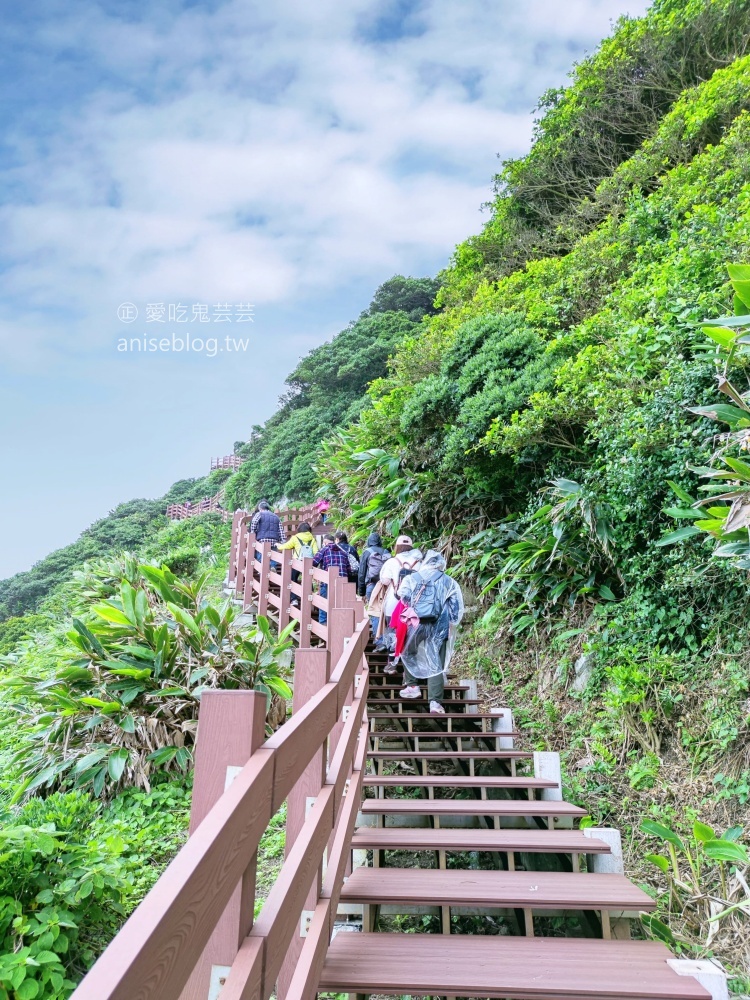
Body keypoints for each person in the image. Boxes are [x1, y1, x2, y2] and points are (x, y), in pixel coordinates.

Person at [396, 550, 464, 714]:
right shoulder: (449, 581)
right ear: (441, 564)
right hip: (439, 625)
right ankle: (435, 703)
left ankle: (412, 685)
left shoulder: (412, 578)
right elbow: (456, 608)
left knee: (408, 650)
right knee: (436, 663)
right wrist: (452, 622)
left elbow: (402, 596)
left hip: (416, 622)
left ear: (425, 562)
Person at [368, 535, 423, 664]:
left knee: (393, 632)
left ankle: (392, 662)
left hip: (394, 603)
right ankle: (408, 664)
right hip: (414, 605)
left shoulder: (392, 562)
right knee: (410, 633)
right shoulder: (419, 563)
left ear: (397, 547)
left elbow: (385, 581)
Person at [312, 533, 350, 625]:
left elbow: (313, 563)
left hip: (328, 582)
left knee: (324, 603)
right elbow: (349, 569)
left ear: (325, 542)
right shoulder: (343, 552)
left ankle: (323, 625)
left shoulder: (324, 550)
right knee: (339, 605)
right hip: (342, 583)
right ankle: (339, 624)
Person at [278, 521, 319, 607]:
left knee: (292, 580)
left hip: (297, 562)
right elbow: (316, 552)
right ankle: (310, 600)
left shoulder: (295, 538)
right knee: (308, 581)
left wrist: (278, 546)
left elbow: (286, 546)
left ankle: (294, 599)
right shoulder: (312, 539)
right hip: (308, 563)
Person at [357, 532, 391, 636]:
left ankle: (379, 639)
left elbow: (362, 573)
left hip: (372, 586)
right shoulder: (386, 551)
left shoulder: (366, 552)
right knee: (387, 611)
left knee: (375, 612)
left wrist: (361, 592)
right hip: (386, 586)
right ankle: (388, 639)